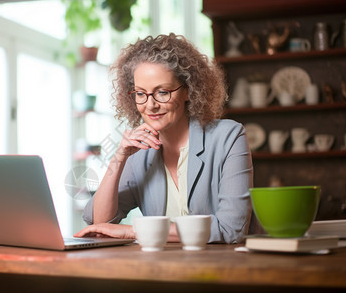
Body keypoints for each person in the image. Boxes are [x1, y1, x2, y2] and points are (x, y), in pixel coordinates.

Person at [74, 33, 253, 243]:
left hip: (219, 270)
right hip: (159, 269)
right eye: (141, 93)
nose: (151, 105)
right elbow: (99, 222)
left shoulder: (229, 137)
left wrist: (136, 231)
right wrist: (119, 158)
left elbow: (232, 229)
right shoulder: (137, 153)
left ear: (188, 90)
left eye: (162, 92)